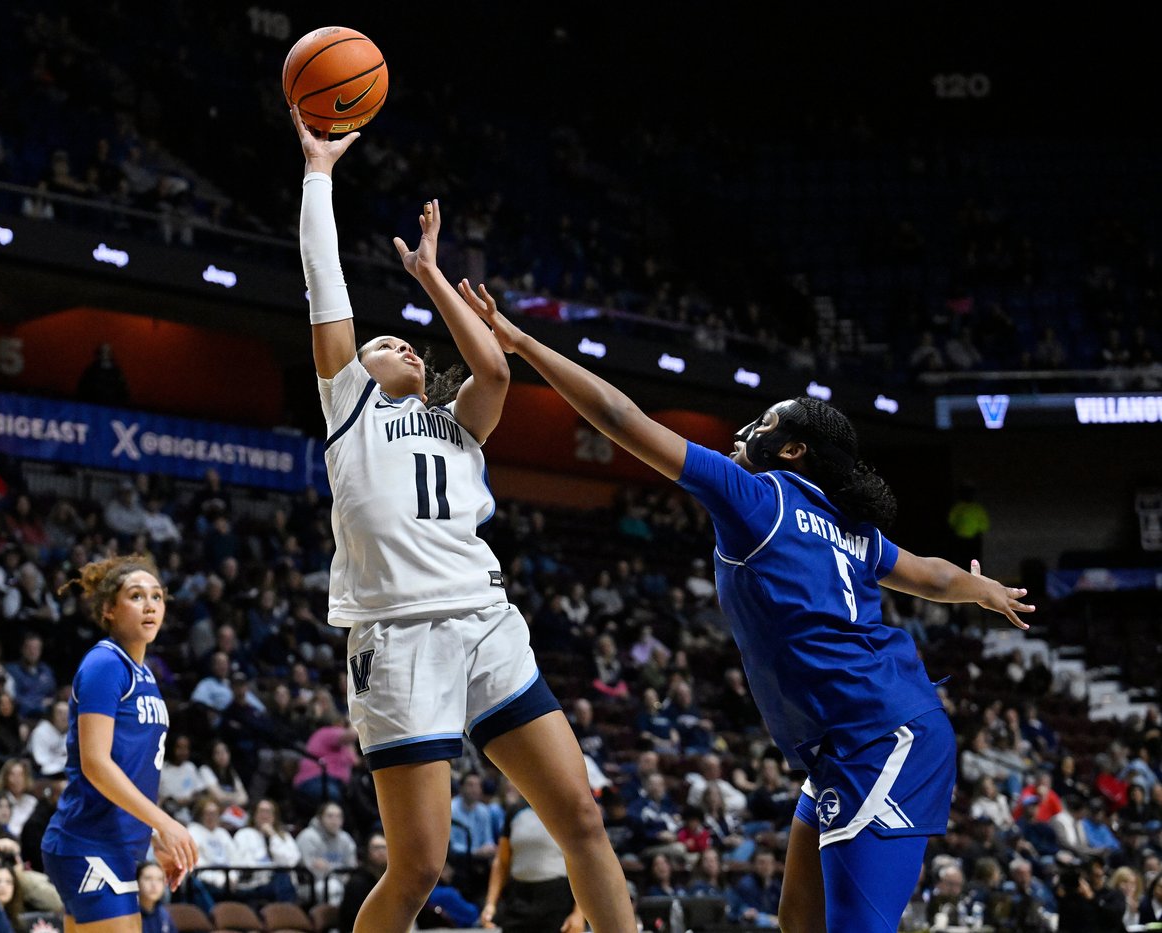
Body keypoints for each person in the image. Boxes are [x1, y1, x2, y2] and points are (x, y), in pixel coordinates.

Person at [458, 283, 1036, 933]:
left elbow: (623, 420)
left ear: (792, 451)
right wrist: (978, 586)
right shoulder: (848, 528)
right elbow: (928, 576)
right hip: (843, 741)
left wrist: (527, 343)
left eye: (761, 425)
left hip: (882, 735)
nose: (742, 431)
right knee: (798, 921)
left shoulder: (759, 497)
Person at [291, 105, 631, 933]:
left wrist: (430, 278)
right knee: (417, 867)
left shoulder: (459, 424)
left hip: (485, 620)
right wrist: (319, 173)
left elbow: (492, 364)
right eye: (383, 344)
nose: (402, 345)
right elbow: (324, 281)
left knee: (581, 817)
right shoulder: (349, 410)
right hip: (399, 637)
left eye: (410, 343)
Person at [40, 556, 196, 933]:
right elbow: (96, 763)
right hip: (89, 841)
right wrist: (165, 822)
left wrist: (153, 831)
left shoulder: (143, 672)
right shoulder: (105, 664)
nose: (150, 605)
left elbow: (135, 768)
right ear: (109, 609)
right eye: (136, 596)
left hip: (115, 843)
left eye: (157, 597)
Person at [480, 798, 583, 932]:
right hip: (518, 898)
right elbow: (501, 862)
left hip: (558, 900)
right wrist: (491, 903)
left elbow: (583, 864)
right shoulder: (515, 811)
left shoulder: (566, 808)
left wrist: (579, 913)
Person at [135, 864, 175, 933]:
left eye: (159, 879)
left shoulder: (164, 915)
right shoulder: (128, 915)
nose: (154, 884)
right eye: (148, 878)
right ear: (137, 883)